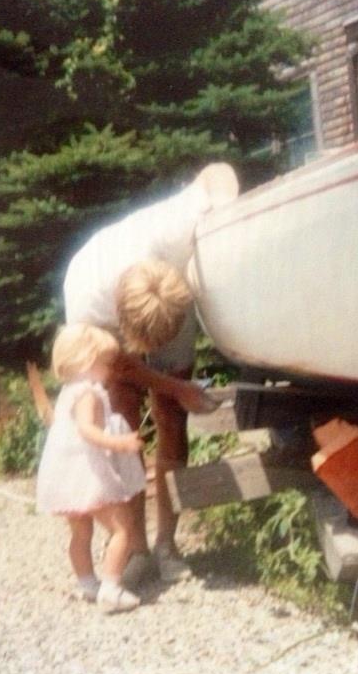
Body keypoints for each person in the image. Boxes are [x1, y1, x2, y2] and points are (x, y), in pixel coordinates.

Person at [62, 162, 239, 585]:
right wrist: (175, 384)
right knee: (122, 424)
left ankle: (167, 545)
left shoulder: (173, 229)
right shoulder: (86, 294)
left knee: (173, 418)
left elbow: (218, 175)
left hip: (166, 299)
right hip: (106, 323)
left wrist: (227, 213)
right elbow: (117, 364)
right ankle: (137, 547)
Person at [36, 323, 148, 614]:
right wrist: (119, 442)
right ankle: (111, 588)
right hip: (90, 474)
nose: (111, 370)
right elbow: (87, 430)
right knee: (123, 527)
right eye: (106, 362)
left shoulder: (68, 392)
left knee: (81, 532)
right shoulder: (89, 393)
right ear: (87, 361)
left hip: (69, 477)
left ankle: (87, 583)